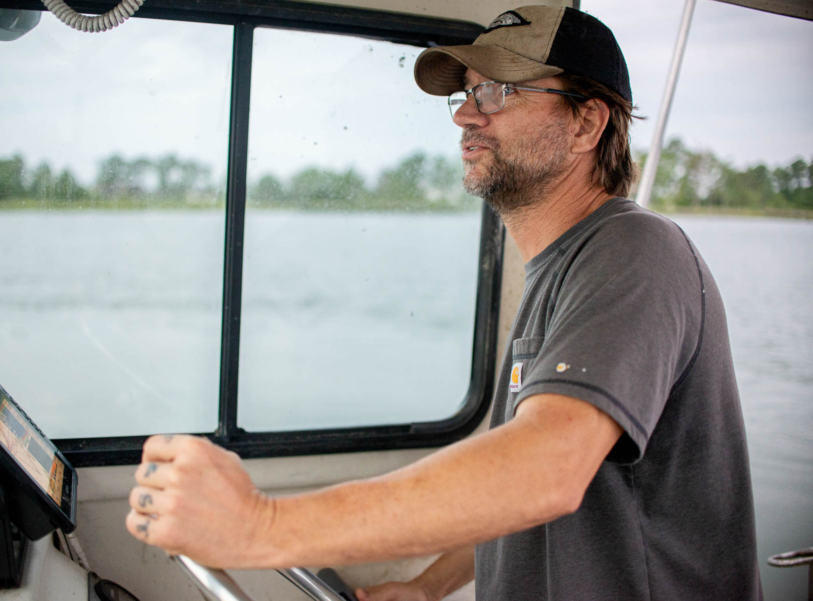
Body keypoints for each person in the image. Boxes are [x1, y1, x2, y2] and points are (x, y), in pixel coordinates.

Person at [125, 6, 761, 600]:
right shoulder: (558, 270)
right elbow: (507, 482)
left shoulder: (636, 251)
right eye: (467, 93)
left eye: (499, 91)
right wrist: (427, 587)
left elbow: (546, 466)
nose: (464, 115)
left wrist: (260, 525)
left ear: (586, 124)